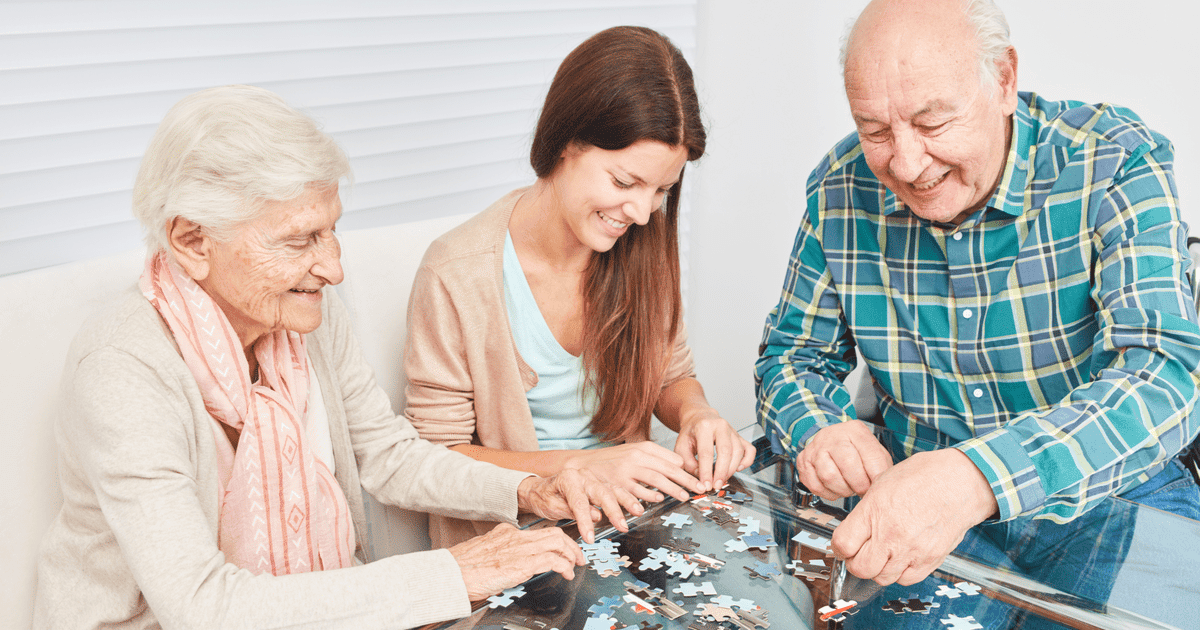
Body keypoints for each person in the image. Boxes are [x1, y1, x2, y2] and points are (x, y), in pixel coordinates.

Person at [33, 85, 631, 630]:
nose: (333, 267)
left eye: (332, 231)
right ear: (192, 240)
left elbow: (387, 455)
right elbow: (202, 607)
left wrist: (528, 489)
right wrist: (453, 575)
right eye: (299, 240)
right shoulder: (122, 371)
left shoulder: (306, 310)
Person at [755, 0, 1200, 620]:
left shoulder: (1115, 162)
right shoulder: (837, 189)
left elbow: (1168, 374)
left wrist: (976, 478)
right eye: (876, 131)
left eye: (932, 123)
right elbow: (791, 357)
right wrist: (820, 429)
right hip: (915, 506)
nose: (906, 166)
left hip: (1108, 496)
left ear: (1004, 81)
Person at [405, 25, 755, 548]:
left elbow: (668, 376)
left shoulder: (641, 243)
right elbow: (435, 458)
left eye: (661, 189)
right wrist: (587, 465)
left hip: (630, 534)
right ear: (566, 142)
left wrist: (697, 413)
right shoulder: (456, 272)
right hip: (511, 549)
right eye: (623, 182)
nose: (640, 213)